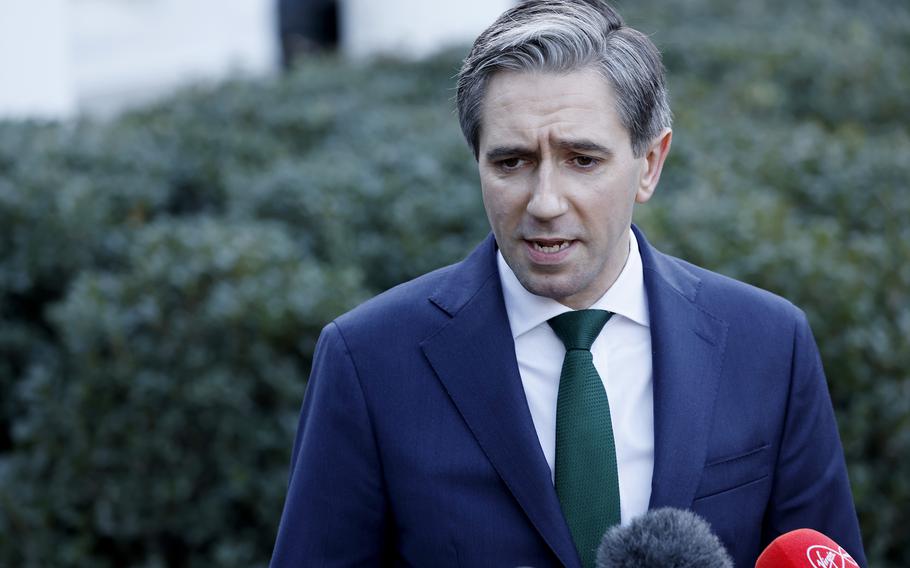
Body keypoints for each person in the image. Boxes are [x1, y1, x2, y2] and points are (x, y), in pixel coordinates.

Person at [270, 1, 866, 566]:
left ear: (650, 164)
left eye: (582, 159)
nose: (545, 202)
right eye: (512, 162)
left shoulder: (768, 343)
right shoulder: (369, 360)